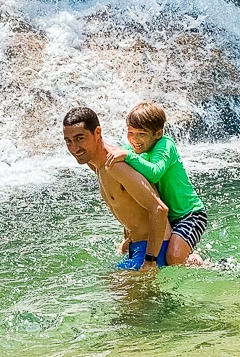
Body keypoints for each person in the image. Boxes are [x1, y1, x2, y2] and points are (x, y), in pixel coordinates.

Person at [63, 106, 170, 272]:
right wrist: (128, 237)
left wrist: (150, 262)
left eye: (79, 138)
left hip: (154, 249)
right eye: (68, 141)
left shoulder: (115, 166)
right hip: (137, 247)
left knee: (117, 287)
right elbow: (128, 203)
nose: (74, 148)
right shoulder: (96, 165)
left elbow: (159, 209)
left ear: (97, 133)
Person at [104, 102, 207, 266]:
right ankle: (183, 247)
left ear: (158, 133)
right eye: (130, 133)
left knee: (174, 258)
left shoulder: (165, 145)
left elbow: (155, 172)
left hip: (189, 215)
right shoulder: (132, 147)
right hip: (164, 219)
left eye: (141, 134)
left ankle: (199, 261)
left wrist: (128, 157)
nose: (134, 139)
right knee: (126, 249)